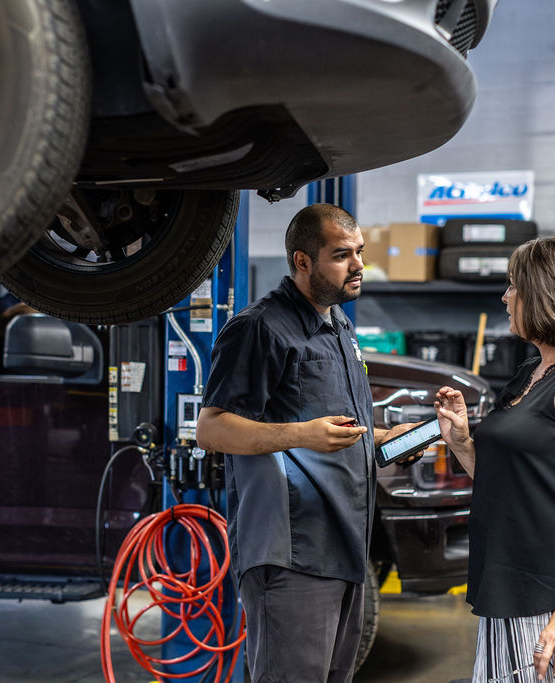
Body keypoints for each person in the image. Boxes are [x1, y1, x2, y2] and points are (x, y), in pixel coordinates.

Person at [195, 203, 417, 683]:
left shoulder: (340, 326)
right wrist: (301, 435)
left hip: (346, 545)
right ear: (302, 261)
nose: (358, 265)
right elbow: (211, 428)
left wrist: (386, 438)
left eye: (359, 252)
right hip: (293, 553)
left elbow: (334, 426)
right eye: (341, 255)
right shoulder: (259, 327)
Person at [434, 237, 555, 683]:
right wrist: (461, 442)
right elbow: (510, 484)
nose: (506, 297)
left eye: (514, 286)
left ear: (547, 293)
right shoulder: (532, 372)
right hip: (506, 583)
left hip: (554, 594)